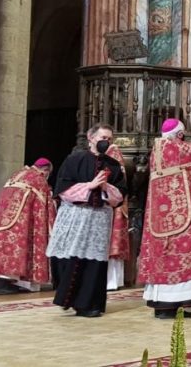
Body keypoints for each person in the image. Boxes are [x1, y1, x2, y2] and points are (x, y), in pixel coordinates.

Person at [138, 117, 191, 320]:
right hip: (178, 216)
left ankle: (164, 306)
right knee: (179, 252)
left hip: (161, 216)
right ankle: (169, 306)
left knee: (164, 256)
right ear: (179, 134)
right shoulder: (173, 147)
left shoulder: (157, 148)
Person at [48, 124, 125, 317]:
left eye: (109, 139)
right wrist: (90, 186)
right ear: (91, 138)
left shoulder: (113, 165)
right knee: (72, 258)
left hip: (99, 219)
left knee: (95, 263)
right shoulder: (75, 160)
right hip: (77, 215)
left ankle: (91, 304)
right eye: (103, 137)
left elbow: (120, 196)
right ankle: (70, 299)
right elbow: (62, 189)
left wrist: (106, 187)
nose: (106, 142)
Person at [0, 158, 56, 295]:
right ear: (46, 170)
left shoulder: (17, 174)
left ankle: (0, 285)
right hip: (20, 223)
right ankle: (16, 284)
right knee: (17, 247)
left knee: (0, 248)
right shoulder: (39, 179)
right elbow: (43, 210)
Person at [105, 146, 131, 291]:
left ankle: (112, 281)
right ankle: (114, 281)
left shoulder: (111, 159)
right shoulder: (116, 158)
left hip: (113, 206)